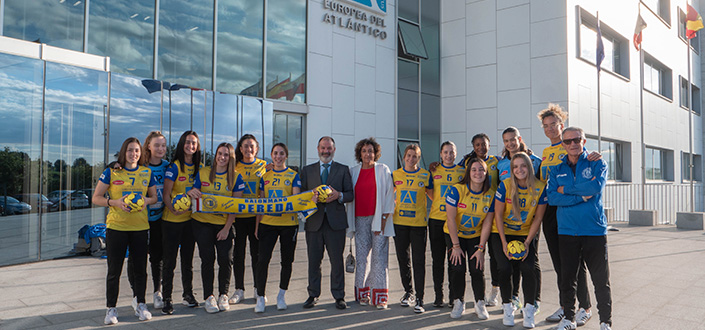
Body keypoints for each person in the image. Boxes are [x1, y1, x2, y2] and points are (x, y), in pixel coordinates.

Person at [547, 127, 612, 330]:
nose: (573, 144)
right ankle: (569, 318)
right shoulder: (556, 169)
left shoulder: (597, 162)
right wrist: (579, 196)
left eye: (577, 139)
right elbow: (552, 197)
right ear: (563, 144)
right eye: (568, 141)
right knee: (568, 279)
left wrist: (565, 190)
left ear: (584, 140)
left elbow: (594, 188)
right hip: (567, 231)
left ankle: (605, 322)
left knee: (601, 281)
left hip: (594, 231)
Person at [537, 104, 594, 325]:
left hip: (570, 209)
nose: (550, 129)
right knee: (560, 262)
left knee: (575, 262)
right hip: (551, 211)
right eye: (546, 126)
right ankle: (565, 306)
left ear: (562, 125)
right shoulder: (545, 153)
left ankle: (585, 307)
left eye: (554, 124)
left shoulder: (573, 147)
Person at [94, 137, 157, 325]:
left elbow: (154, 197)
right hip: (117, 227)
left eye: (137, 150)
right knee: (114, 270)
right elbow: (96, 198)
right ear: (124, 152)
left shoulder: (147, 172)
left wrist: (146, 201)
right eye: (130, 150)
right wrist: (115, 203)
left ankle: (141, 304)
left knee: (140, 270)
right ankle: (111, 309)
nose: (133, 154)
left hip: (140, 227)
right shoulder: (112, 171)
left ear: (141, 153)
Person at [189, 142, 245, 313]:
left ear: (231, 158)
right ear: (215, 156)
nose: (222, 157)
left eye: (226, 155)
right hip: (202, 222)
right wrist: (191, 192)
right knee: (207, 259)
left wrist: (227, 228)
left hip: (223, 225)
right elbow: (195, 194)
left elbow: (235, 206)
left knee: (225, 260)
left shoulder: (236, 177)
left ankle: (223, 295)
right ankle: (208, 297)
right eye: (220, 154)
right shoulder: (204, 172)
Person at [493, 152, 547, 328]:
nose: (519, 169)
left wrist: (527, 242)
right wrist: (503, 243)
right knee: (505, 267)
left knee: (528, 267)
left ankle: (529, 310)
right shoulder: (505, 185)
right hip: (502, 232)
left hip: (524, 233)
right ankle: (508, 307)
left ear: (529, 167)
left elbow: (538, 219)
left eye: (523, 165)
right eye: (515, 166)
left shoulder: (540, 187)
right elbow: (498, 215)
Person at [300, 136, 354, 310]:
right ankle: (313, 294)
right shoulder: (307, 171)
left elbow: (350, 194)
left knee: (336, 261)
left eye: (329, 148)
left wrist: (339, 196)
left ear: (334, 150)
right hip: (314, 223)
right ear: (318, 149)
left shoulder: (343, 169)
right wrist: (310, 198)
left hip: (335, 224)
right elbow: (300, 195)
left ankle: (339, 296)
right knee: (314, 261)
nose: (326, 151)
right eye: (323, 148)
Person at [497, 126, 543, 313]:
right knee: (512, 258)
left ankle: (534, 300)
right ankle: (514, 297)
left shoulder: (534, 161)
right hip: (508, 219)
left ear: (519, 139)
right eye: (506, 141)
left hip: (529, 221)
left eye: (512, 139)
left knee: (530, 260)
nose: (510, 143)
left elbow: (538, 186)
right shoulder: (500, 164)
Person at [346, 138, 395, 309]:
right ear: (360, 153)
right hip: (359, 220)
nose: (368, 154)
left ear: (376, 153)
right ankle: (363, 293)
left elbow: (390, 195)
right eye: (364, 151)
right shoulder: (353, 172)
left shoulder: (383, 169)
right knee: (362, 259)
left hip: (378, 218)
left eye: (371, 151)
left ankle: (380, 296)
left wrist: (383, 220)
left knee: (379, 259)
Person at [254, 143, 302, 313]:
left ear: (286, 156)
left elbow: (296, 199)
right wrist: (257, 225)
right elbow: (260, 202)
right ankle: (260, 297)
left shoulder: (293, 175)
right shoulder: (264, 176)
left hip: (289, 225)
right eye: (275, 153)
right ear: (271, 155)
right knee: (262, 261)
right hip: (268, 224)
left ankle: (281, 295)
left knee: (287, 261)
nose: (278, 156)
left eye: (281, 153)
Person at [444, 157, 494, 320]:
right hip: (455, 235)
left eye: (481, 169)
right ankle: (459, 301)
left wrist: (481, 248)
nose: (478, 173)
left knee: (477, 268)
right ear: (468, 172)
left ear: (486, 173)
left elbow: (487, 223)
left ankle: (480, 303)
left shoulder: (490, 194)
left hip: (475, 236)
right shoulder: (456, 190)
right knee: (457, 267)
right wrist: (456, 246)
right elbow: (450, 219)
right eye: (474, 169)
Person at [125, 131, 169, 310]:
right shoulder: (140, 165)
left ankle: (157, 292)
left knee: (157, 256)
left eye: (163, 145)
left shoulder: (168, 166)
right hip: (139, 219)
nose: (160, 149)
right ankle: (137, 294)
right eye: (156, 145)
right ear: (148, 147)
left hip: (159, 218)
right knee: (136, 258)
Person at [161, 130, 201, 314]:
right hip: (172, 221)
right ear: (181, 144)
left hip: (190, 221)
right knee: (169, 261)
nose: (190, 146)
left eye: (193, 143)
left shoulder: (200, 167)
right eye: (187, 142)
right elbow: (166, 194)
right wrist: (173, 209)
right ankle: (167, 299)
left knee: (187, 261)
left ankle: (187, 294)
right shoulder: (174, 166)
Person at [392, 144, 433, 313]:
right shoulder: (396, 175)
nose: (411, 159)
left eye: (414, 156)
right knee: (403, 260)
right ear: (404, 158)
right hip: (399, 223)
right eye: (408, 156)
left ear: (418, 158)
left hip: (418, 225)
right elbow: (389, 195)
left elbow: (434, 197)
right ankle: (408, 292)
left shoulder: (425, 175)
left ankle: (420, 298)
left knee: (418, 261)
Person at [463, 133, 503, 306]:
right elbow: (453, 170)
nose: (481, 147)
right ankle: (477, 294)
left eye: (483, 144)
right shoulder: (466, 162)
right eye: (477, 144)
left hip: (495, 212)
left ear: (489, 144)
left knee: (495, 256)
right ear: (473, 146)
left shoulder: (498, 161)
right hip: (476, 215)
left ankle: (495, 290)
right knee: (478, 255)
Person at [230, 134, 267, 304]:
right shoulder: (234, 165)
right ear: (240, 148)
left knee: (257, 254)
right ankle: (239, 289)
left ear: (257, 149)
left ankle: (258, 289)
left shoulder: (264, 166)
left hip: (256, 217)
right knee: (238, 254)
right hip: (237, 217)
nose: (248, 149)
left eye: (252, 146)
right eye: (245, 146)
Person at [427, 141, 465, 307]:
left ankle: (453, 296)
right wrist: (440, 203)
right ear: (441, 154)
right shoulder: (434, 171)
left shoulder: (462, 172)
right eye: (445, 152)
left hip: (454, 222)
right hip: (436, 220)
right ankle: (438, 295)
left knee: (453, 261)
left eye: (451, 152)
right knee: (437, 260)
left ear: (455, 154)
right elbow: (429, 191)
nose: (448, 155)